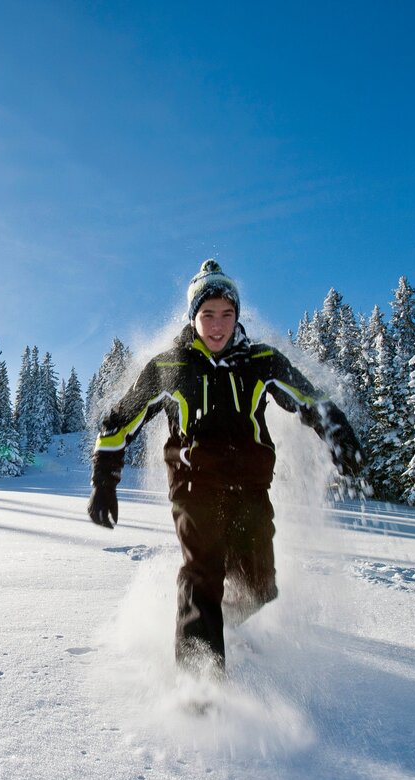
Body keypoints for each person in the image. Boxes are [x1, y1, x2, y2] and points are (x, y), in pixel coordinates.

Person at [87, 259, 363, 674]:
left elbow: (309, 400)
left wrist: (337, 434)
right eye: (208, 315)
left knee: (259, 588)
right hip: (193, 488)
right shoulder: (168, 368)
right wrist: (104, 482)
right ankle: (201, 684)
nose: (217, 325)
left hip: (251, 491)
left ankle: (218, 622)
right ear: (193, 317)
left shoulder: (261, 361)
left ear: (237, 316)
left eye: (226, 315)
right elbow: (118, 422)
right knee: (203, 575)